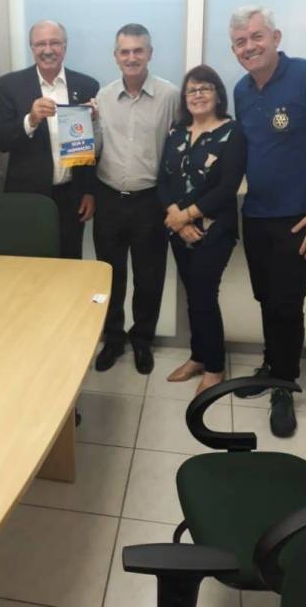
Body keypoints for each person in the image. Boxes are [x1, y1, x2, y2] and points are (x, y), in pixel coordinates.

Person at [229, 5, 306, 437]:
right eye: (240, 42)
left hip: (300, 219)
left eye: (256, 37)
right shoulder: (242, 90)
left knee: (286, 302)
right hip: (256, 214)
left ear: (276, 37)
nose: (249, 47)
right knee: (267, 298)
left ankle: (284, 385)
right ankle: (271, 364)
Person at [93, 23, 179, 374]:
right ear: (116, 56)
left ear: (149, 54)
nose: (131, 57)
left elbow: (181, 146)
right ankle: (113, 339)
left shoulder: (170, 96)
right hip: (109, 199)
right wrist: (85, 124)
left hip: (150, 202)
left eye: (138, 50)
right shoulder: (102, 97)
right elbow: (93, 149)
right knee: (109, 277)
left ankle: (142, 340)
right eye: (125, 51)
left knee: (149, 277)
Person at [158, 65, 247, 395]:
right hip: (179, 229)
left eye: (205, 88)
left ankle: (214, 367)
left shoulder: (232, 132)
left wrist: (186, 216)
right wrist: (176, 217)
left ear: (218, 95)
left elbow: (227, 187)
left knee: (204, 296)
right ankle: (197, 356)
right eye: (192, 90)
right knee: (192, 294)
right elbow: (163, 179)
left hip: (214, 230)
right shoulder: (176, 131)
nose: (197, 95)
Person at [0, 20, 99, 259]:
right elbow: (2, 140)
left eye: (55, 43)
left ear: (65, 46)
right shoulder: (11, 85)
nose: (48, 50)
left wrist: (89, 191)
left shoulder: (87, 85)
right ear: (32, 48)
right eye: (41, 44)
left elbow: (88, 149)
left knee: (69, 263)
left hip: (71, 197)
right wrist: (30, 120)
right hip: (28, 197)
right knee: (30, 265)